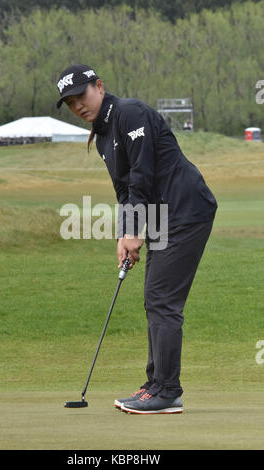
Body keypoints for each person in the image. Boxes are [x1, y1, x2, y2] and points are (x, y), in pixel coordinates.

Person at [56, 64, 218, 415]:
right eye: (70, 103)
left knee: (162, 299)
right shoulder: (101, 137)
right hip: (161, 216)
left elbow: (143, 174)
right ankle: (155, 384)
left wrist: (133, 232)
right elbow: (125, 189)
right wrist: (123, 236)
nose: (78, 106)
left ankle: (167, 391)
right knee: (154, 298)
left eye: (81, 96)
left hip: (186, 209)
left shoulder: (130, 113)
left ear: (99, 86)